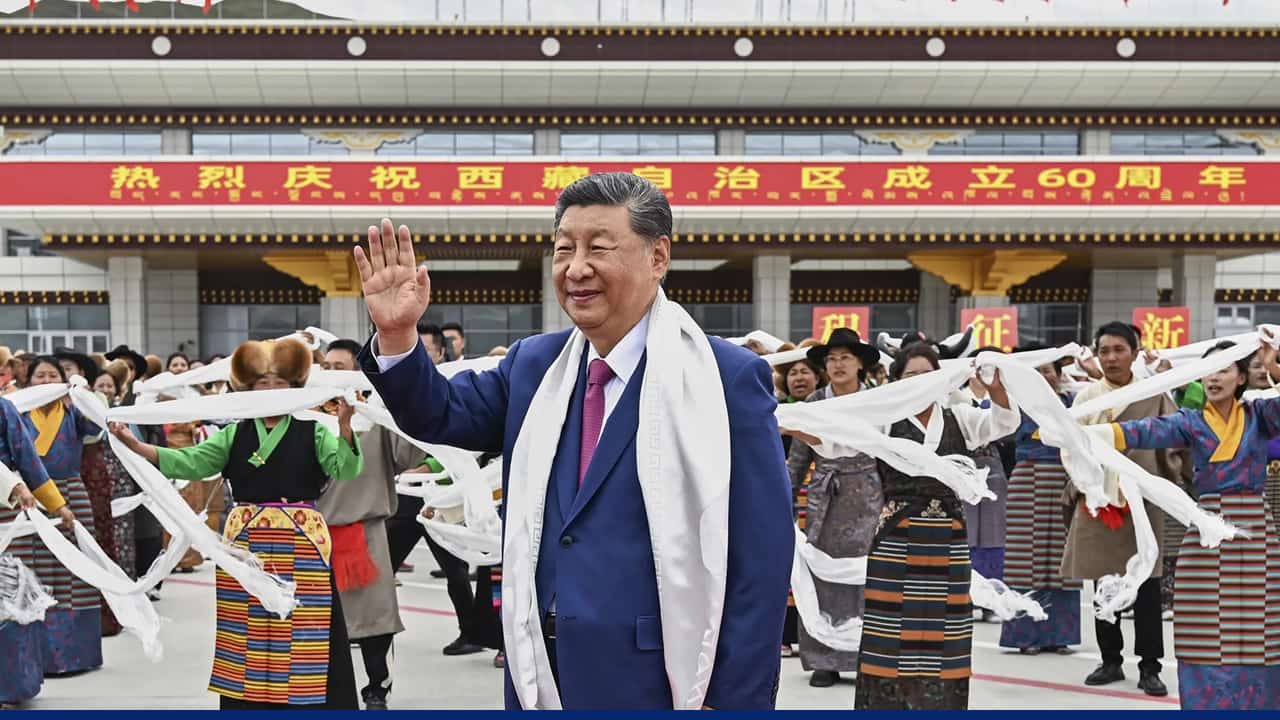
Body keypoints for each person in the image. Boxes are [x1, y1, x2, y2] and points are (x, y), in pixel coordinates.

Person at [353, 171, 793, 710]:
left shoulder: (723, 379)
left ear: (658, 257)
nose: (575, 268)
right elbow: (440, 415)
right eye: (564, 249)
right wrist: (397, 337)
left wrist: (737, 703)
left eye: (599, 248)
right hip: (539, 668)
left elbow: (760, 562)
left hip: (661, 677)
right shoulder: (536, 366)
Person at [108, 337, 363, 709]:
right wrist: (136, 444)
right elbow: (191, 462)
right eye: (262, 384)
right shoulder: (233, 433)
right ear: (247, 388)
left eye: (279, 384)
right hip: (245, 542)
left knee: (304, 623)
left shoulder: (315, 430)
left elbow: (347, 467)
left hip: (302, 540)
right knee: (246, 626)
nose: (271, 391)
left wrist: (344, 428)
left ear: (294, 388)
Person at [1095, 340, 1280, 709]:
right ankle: (1205, 702)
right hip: (1207, 525)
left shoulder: (1261, 415)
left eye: (1224, 369)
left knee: (1260, 620)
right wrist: (1091, 435)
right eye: (1209, 370)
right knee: (1203, 623)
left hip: (1255, 528)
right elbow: (1145, 430)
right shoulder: (1191, 421)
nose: (1214, 377)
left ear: (1242, 377)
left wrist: (1273, 359)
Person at [852, 343, 1018, 710]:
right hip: (896, 535)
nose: (919, 382)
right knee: (889, 633)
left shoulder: (960, 417)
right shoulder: (882, 419)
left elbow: (1004, 423)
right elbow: (834, 438)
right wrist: (792, 421)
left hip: (949, 538)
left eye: (927, 375)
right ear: (895, 381)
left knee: (948, 632)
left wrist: (994, 386)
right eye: (910, 376)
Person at [1064, 322, 1187, 697]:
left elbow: (1175, 442)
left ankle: (1150, 666)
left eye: (1120, 349)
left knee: (1147, 586)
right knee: (1104, 584)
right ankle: (1110, 660)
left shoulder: (1154, 393)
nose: (1112, 357)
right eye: (1105, 351)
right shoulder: (1086, 398)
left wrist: (1171, 481)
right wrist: (1088, 485)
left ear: (1135, 352)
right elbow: (1070, 449)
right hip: (1098, 498)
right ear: (1096, 355)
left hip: (1143, 499)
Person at [317, 339, 423, 710]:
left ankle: (377, 689)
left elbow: (407, 456)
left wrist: (400, 409)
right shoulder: (304, 414)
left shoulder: (375, 417)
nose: (330, 373)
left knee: (375, 621)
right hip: (314, 536)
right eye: (325, 366)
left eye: (339, 366)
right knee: (319, 621)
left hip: (365, 530)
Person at [784, 328, 882, 688]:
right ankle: (824, 659)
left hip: (870, 496)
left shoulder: (879, 401)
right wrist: (786, 501)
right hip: (825, 497)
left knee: (867, 578)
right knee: (822, 576)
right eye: (832, 358)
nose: (838, 364)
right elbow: (796, 461)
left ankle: (866, 657)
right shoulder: (813, 404)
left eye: (845, 357)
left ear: (860, 364)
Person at [21, 357, 104, 675]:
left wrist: (82, 396)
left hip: (71, 489)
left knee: (76, 568)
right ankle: (35, 656)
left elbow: (98, 426)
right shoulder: (17, 411)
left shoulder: (72, 411)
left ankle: (75, 655)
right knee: (35, 566)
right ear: (29, 381)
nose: (45, 380)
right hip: (29, 494)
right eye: (39, 375)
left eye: (52, 375)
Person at [1000, 353, 1082, 655]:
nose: (1042, 376)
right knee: (1026, 558)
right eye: (1035, 371)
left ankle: (1060, 635)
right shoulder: (1012, 403)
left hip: (1064, 478)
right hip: (1027, 477)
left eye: (1047, 370)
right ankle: (1026, 636)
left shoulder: (1074, 401)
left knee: (1062, 559)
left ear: (1059, 373)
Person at [0, 393, 69, 708]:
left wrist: (56, 504)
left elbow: (25, 456)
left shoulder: (3, 407)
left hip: (4, 509)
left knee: (7, 597)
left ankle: (9, 684)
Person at [951, 347, 1014, 601]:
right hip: (963, 471)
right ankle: (968, 595)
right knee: (966, 532)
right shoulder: (956, 399)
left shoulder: (1005, 400)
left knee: (994, 533)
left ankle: (993, 595)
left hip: (994, 474)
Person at [81, 361, 136, 636]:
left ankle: (120, 605)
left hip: (113, 479)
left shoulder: (118, 411)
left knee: (116, 540)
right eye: (99, 384)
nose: (103, 389)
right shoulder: (81, 409)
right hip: (89, 478)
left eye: (108, 385)